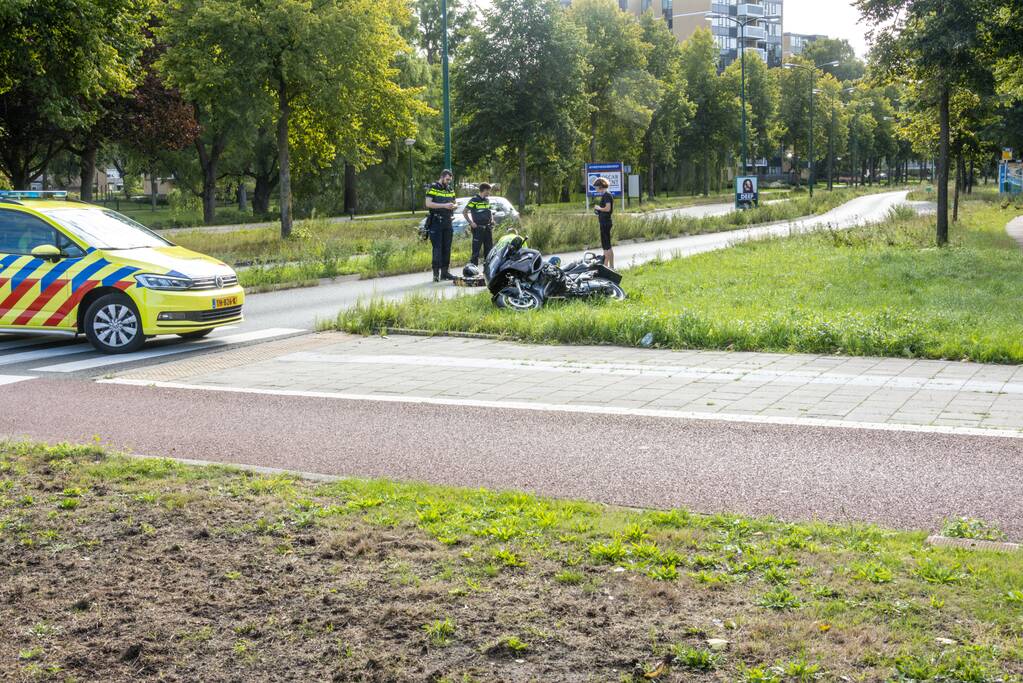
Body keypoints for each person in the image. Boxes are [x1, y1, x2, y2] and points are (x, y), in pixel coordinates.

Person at [425, 169, 457, 281]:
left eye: (450, 180)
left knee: (447, 248)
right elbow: (428, 203)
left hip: (448, 221)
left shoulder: (450, 189)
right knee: (437, 248)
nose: (448, 182)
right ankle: (435, 274)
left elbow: (455, 202)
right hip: (436, 222)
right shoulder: (433, 187)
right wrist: (444, 205)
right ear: (442, 177)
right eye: (447, 179)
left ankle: (445, 273)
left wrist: (454, 206)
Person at [463, 182, 495, 266]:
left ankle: (487, 269)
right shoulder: (474, 200)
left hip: (488, 228)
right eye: (488, 191)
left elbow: (490, 211)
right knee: (476, 251)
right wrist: (471, 223)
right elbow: (465, 212)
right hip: (478, 228)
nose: (489, 192)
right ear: (484, 190)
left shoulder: (487, 200)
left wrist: (492, 219)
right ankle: (474, 269)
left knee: (489, 250)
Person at [592, 177, 615, 270]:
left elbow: (608, 208)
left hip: (605, 223)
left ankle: (605, 268)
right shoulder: (607, 195)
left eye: (596, 187)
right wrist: (599, 211)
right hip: (606, 222)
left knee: (606, 247)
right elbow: (606, 209)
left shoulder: (606, 195)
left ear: (600, 186)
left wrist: (599, 208)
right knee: (608, 246)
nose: (596, 189)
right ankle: (611, 267)